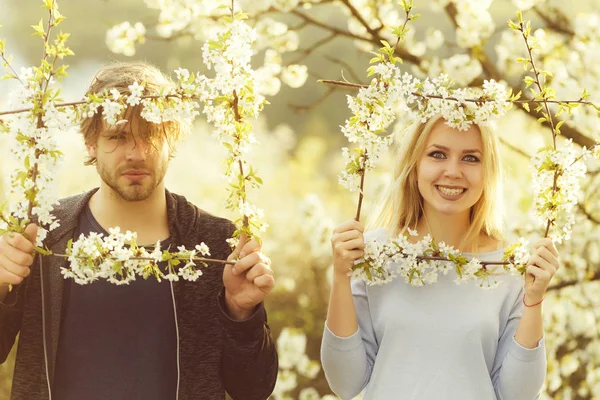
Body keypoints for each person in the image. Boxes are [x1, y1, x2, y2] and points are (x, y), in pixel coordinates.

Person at [0, 61, 278, 400]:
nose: (136, 153)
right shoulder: (42, 234)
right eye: (117, 136)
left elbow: (253, 390)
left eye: (151, 135)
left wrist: (241, 313)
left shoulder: (216, 243)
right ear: (90, 143)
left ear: (172, 140)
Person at [321, 116, 559, 400]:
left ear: (488, 172)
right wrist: (341, 275)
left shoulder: (508, 266)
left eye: (470, 158)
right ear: (415, 165)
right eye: (437, 154)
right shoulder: (375, 254)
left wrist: (534, 300)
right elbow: (345, 383)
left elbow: (517, 394)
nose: (453, 171)